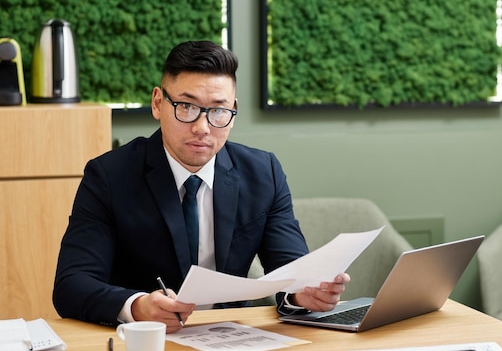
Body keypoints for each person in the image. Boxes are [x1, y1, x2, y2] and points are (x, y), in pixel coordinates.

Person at [53, 40, 350, 333]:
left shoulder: (264, 173)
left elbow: (291, 269)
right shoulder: (109, 176)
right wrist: (137, 306)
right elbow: (72, 284)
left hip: (233, 339)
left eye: (218, 111)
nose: (202, 127)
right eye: (186, 106)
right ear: (158, 103)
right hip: (146, 342)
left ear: (233, 111)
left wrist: (304, 295)